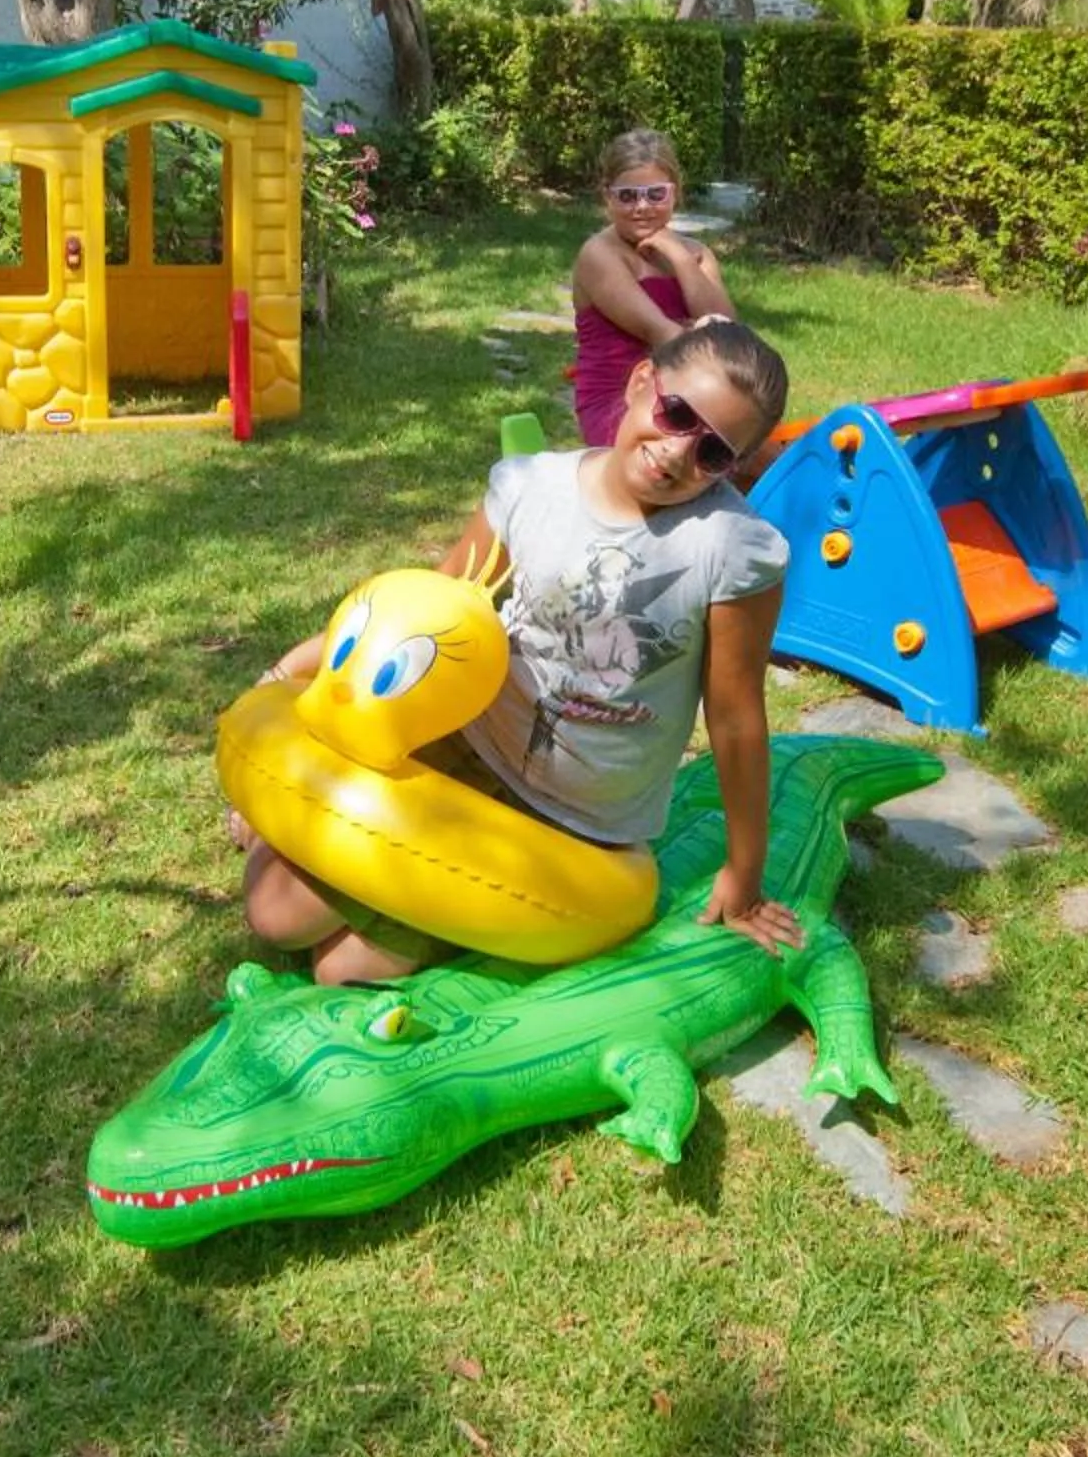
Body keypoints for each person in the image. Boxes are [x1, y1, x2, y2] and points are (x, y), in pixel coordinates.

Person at [241, 319, 796, 983]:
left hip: (575, 826)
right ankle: (316, 857)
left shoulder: (732, 549)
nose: (677, 452)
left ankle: (393, 903)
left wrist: (745, 871)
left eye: (713, 451)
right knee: (275, 917)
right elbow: (432, 606)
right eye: (675, 413)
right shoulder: (532, 489)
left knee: (342, 969)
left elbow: (735, 716)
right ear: (642, 381)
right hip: (462, 751)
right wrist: (290, 674)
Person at [570, 129, 737, 448]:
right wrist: (698, 333)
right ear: (608, 196)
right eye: (628, 196)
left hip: (695, 395)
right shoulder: (600, 254)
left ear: (675, 193)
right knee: (726, 450)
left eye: (656, 194)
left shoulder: (695, 253)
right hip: (620, 402)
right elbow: (663, 335)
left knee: (762, 448)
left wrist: (678, 257)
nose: (642, 206)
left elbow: (729, 336)